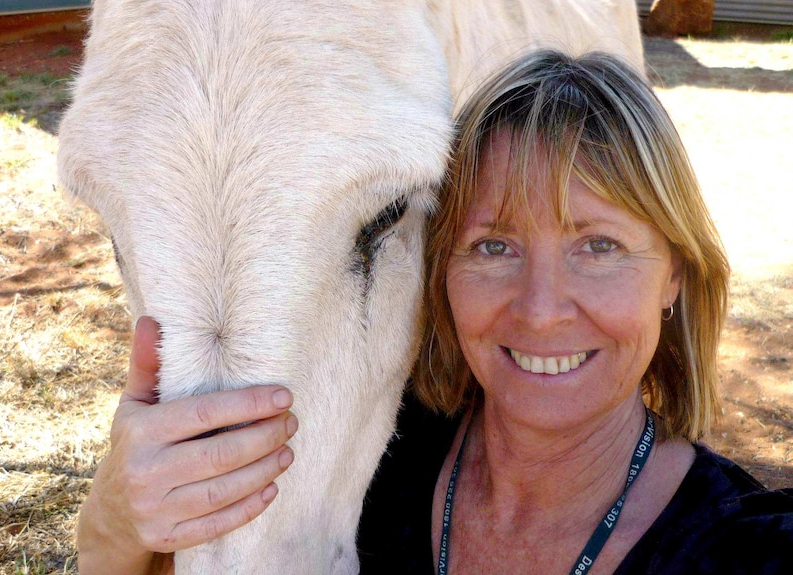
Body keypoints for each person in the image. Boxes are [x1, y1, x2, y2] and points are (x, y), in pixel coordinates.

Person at [76, 50, 793, 574]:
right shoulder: (362, 454)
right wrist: (117, 515)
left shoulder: (745, 550)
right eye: (494, 245)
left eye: (599, 245)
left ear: (675, 274)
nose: (541, 310)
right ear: (439, 270)